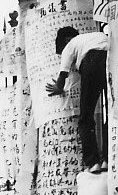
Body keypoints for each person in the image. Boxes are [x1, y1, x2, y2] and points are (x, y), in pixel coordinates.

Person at [45, 26, 109, 173]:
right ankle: (107, 159)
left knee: (86, 117)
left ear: (65, 41)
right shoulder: (95, 36)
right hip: (111, 60)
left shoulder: (70, 45)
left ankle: (93, 162)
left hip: (91, 63)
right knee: (110, 114)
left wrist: (58, 87)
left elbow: (63, 73)